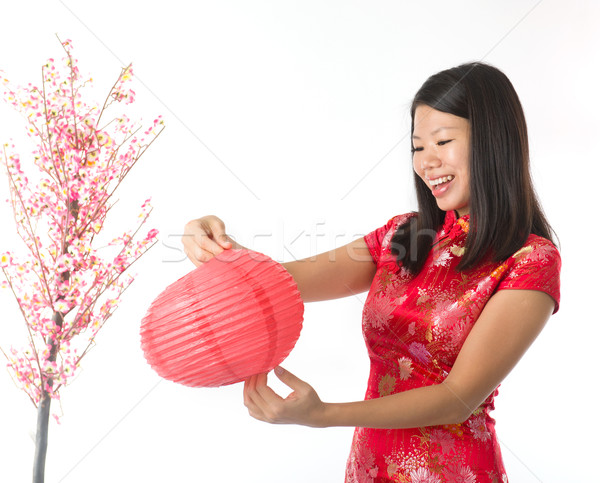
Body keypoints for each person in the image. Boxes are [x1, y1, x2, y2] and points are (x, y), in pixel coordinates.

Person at [182, 62, 561, 482]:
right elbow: (279, 281)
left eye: (443, 141)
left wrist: (323, 415)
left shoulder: (530, 259)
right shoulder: (403, 235)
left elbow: (457, 398)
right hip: (369, 468)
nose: (427, 162)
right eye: (417, 147)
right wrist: (215, 244)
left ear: (494, 141)